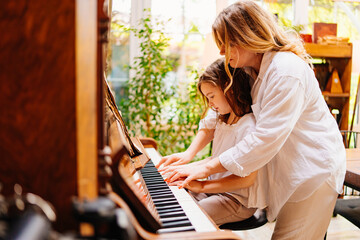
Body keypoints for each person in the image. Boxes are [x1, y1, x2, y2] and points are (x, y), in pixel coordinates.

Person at [158, 1, 346, 239]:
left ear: (246, 38)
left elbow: (264, 138)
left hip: (313, 171)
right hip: (289, 172)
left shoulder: (286, 70)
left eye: (225, 44)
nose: (221, 52)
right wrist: (189, 156)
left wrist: (204, 168)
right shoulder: (248, 69)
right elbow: (219, 109)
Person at [162, 58, 267, 225]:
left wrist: (202, 187)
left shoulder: (248, 126)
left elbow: (247, 180)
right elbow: (215, 159)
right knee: (173, 198)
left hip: (236, 199)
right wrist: (179, 170)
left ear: (230, 89)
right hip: (215, 190)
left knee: (190, 218)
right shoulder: (223, 120)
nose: (210, 104)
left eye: (212, 96)